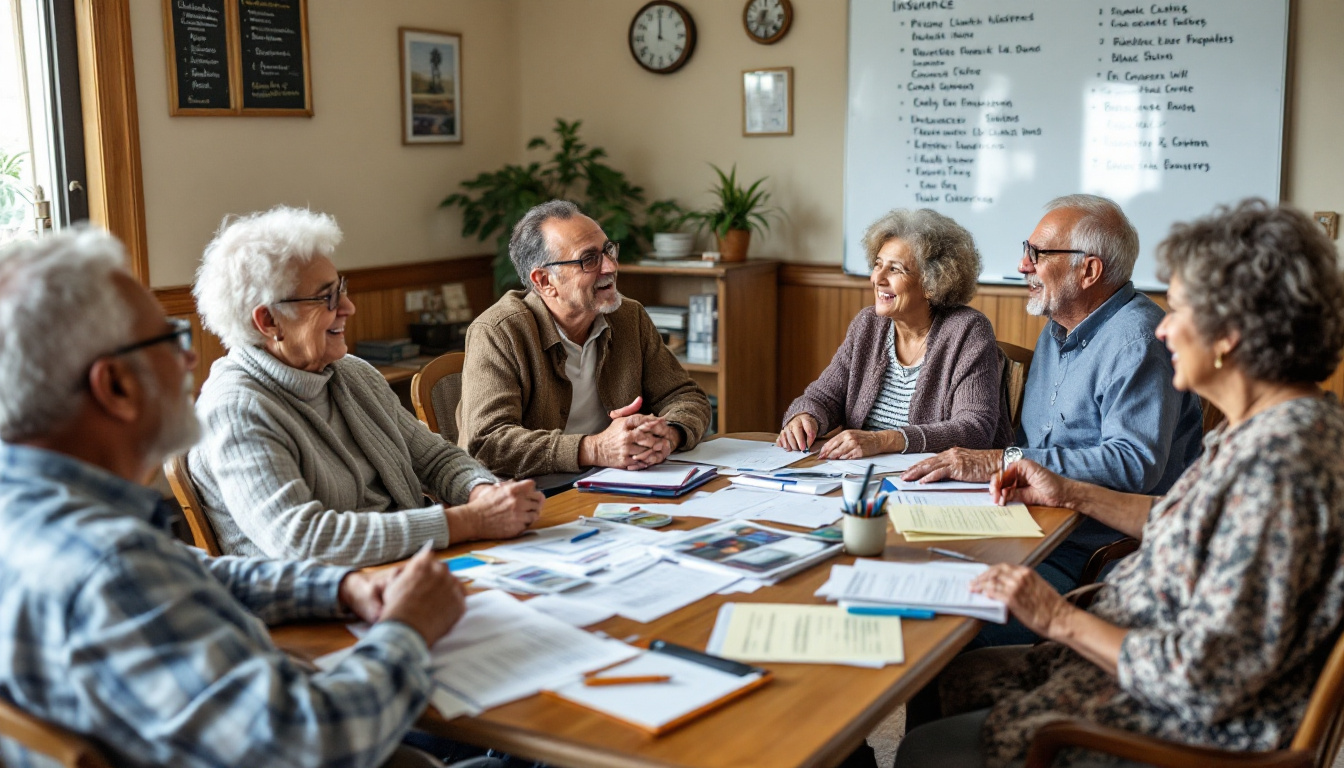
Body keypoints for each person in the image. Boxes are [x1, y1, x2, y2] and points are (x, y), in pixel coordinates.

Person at [894, 200, 1344, 768]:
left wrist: (1058, 618)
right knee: (948, 670)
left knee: (926, 743)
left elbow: (1202, 680)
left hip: (1173, 730)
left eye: (1180, 309)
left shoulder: (1279, 469)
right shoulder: (1267, 430)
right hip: (1132, 649)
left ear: (1230, 333)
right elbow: (1187, 525)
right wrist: (1071, 491)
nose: (1164, 326)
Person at [0, 229, 471, 767]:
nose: (188, 361)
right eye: (168, 341)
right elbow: (308, 743)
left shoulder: (37, 517)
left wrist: (341, 586)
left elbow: (190, 572)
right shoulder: (110, 566)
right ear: (116, 387)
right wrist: (409, 627)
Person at [902, 195, 1203, 641]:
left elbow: (1134, 464)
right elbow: (1031, 442)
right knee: (912, 577)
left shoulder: (1138, 342)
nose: (1023, 265)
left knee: (943, 625)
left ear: (1089, 271)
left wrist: (1003, 460)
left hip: (1092, 556)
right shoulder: (1057, 329)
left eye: (1038, 254)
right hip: (1028, 528)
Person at [189, 207, 543, 569]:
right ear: (268, 320)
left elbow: (436, 458)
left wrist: (483, 493)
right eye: (327, 298)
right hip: (328, 595)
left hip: (412, 568)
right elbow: (303, 541)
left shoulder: (352, 373)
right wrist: (469, 521)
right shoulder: (236, 409)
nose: (349, 307)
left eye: (341, 289)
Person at [458, 200, 712, 479]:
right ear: (544, 281)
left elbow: (685, 396)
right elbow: (488, 443)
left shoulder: (629, 317)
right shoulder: (498, 332)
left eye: (608, 250)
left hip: (618, 481)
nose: (610, 266)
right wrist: (595, 449)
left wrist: (668, 433)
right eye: (589, 259)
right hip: (532, 493)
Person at [777, 208, 1011, 458]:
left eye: (895, 269)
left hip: (935, 476)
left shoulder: (968, 331)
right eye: (878, 265)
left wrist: (883, 440)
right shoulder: (868, 325)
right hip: (859, 472)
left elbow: (974, 430)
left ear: (931, 284)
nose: (877, 278)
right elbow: (823, 397)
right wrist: (806, 417)